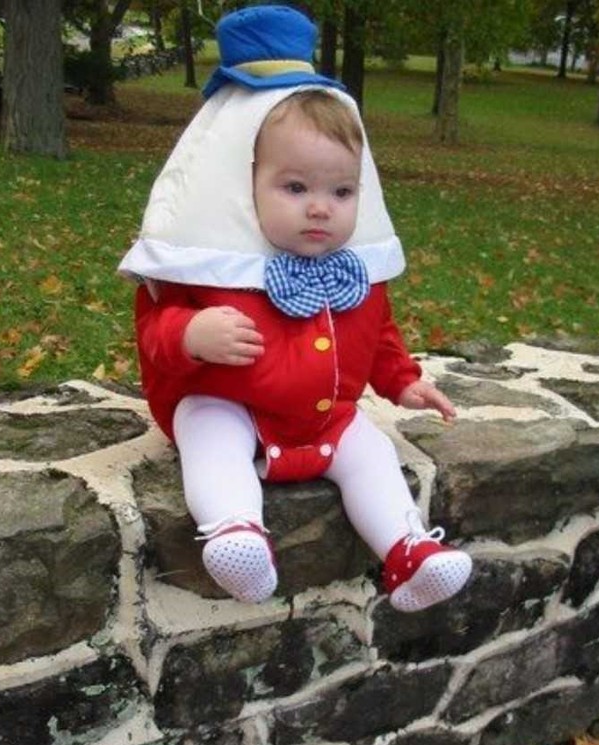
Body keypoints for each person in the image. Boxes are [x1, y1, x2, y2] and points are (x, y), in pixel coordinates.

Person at [120, 4, 472, 612]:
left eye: (342, 191)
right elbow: (155, 329)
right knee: (209, 432)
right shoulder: (209, 265)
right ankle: (235, 530)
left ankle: (407, 549)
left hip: (326, 418)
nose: (320, 208)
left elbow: (377, 332)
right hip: (233, 404)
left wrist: (402, 381)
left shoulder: (353, 268)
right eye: (295, 187)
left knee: (371, 454)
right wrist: (191, 333)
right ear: (244, 186)